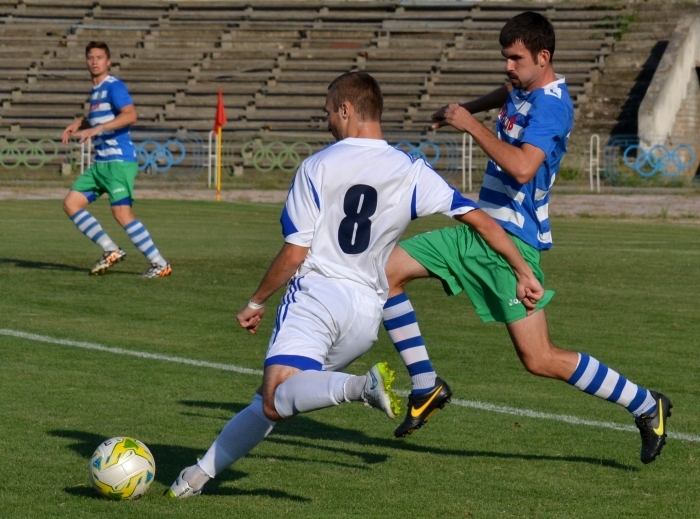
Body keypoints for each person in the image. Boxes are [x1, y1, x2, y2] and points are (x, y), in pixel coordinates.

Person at [167, 71, 545, 498]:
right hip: (366, 315)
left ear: (346, 110)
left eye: (329, 111)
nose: (327, 120)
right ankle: (194, 479)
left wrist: (255, 302)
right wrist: (523, 271)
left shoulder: (317, 166)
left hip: (317, 297)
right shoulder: (410, 170)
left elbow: (294, 253)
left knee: (277, 395)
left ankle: (359, 387)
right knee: (271, 400)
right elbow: (483, 222)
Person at [382, 11, 671, 465]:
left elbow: (522, 168)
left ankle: (646, 404)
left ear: (543, 57)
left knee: (540, 359)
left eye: (515, 59)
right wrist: (467, 108)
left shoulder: (552, 107)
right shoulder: (525, 86)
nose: (508, 67)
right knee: (384, 273)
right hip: (478, 230)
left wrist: (470, 124)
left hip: (512, 243)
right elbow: (508, 93)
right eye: (505, 57)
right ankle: (426, 385)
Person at [61, 41, 171, 278]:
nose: (94, 62)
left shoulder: (114, 86)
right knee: (71, 203)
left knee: (122, 213)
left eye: (99, 57)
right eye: (91, 57)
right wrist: (80, 123)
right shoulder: (96, 91)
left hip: (119, 162)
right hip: (101, 164)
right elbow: (101, 120)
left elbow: (130, 115)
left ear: (108, 61)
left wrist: (97, 129)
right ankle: (111, 249)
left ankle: (160, 263)